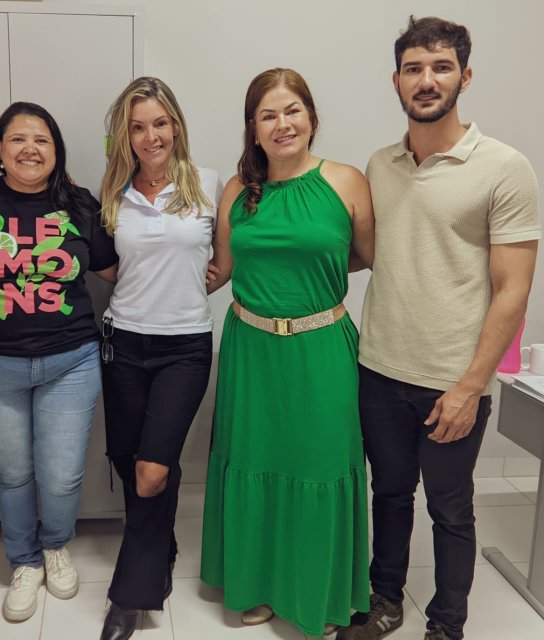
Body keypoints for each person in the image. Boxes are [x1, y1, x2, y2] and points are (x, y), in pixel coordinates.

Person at [336, 16, 540, 640]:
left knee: (451, 509)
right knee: (389, 497)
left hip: (452, 379)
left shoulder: (505, 168)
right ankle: (386, 603)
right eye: (415, 68)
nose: (427, 80)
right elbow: (359, 251)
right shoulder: (380, 162)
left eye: (441, 67)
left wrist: (470, 386)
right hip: (379, 369)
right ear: (396, 80)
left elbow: (514, 289)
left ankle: (447, 625)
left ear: (465, 76)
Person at [200, 67, 375, 638]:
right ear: (253, 128)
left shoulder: (346, 181)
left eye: (291, 110)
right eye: (268, 115)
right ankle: (253, 586)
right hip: (251, 351)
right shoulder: (236, 190)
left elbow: (364, 255)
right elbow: (221, 270)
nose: (282, 124)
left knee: (318, 466)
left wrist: (306, 284)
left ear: (311, 116)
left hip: (322, 348)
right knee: (255, 463)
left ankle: (314, 592)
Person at [0, 102, 118, 623]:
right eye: (17, 139)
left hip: (72, 362)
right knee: (14, 473)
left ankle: (55, 547)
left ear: (56, 150)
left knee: (61, 476)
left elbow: (113, 271)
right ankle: (24, 562)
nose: (29, 149)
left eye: (41, 140)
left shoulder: (81, 205)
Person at [97, 77, 222, 640]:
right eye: (139, 126)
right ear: (126, 135)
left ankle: (132, 596)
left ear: (177, 125)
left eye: (161, 123)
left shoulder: (209, 184)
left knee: (152, 472)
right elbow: (109, 266)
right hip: (122, 342)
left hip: (184, 349)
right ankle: (161, 541)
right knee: (129, 459)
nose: (152, 136)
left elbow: (223, 264)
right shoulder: (112, 193)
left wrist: (185, 293)